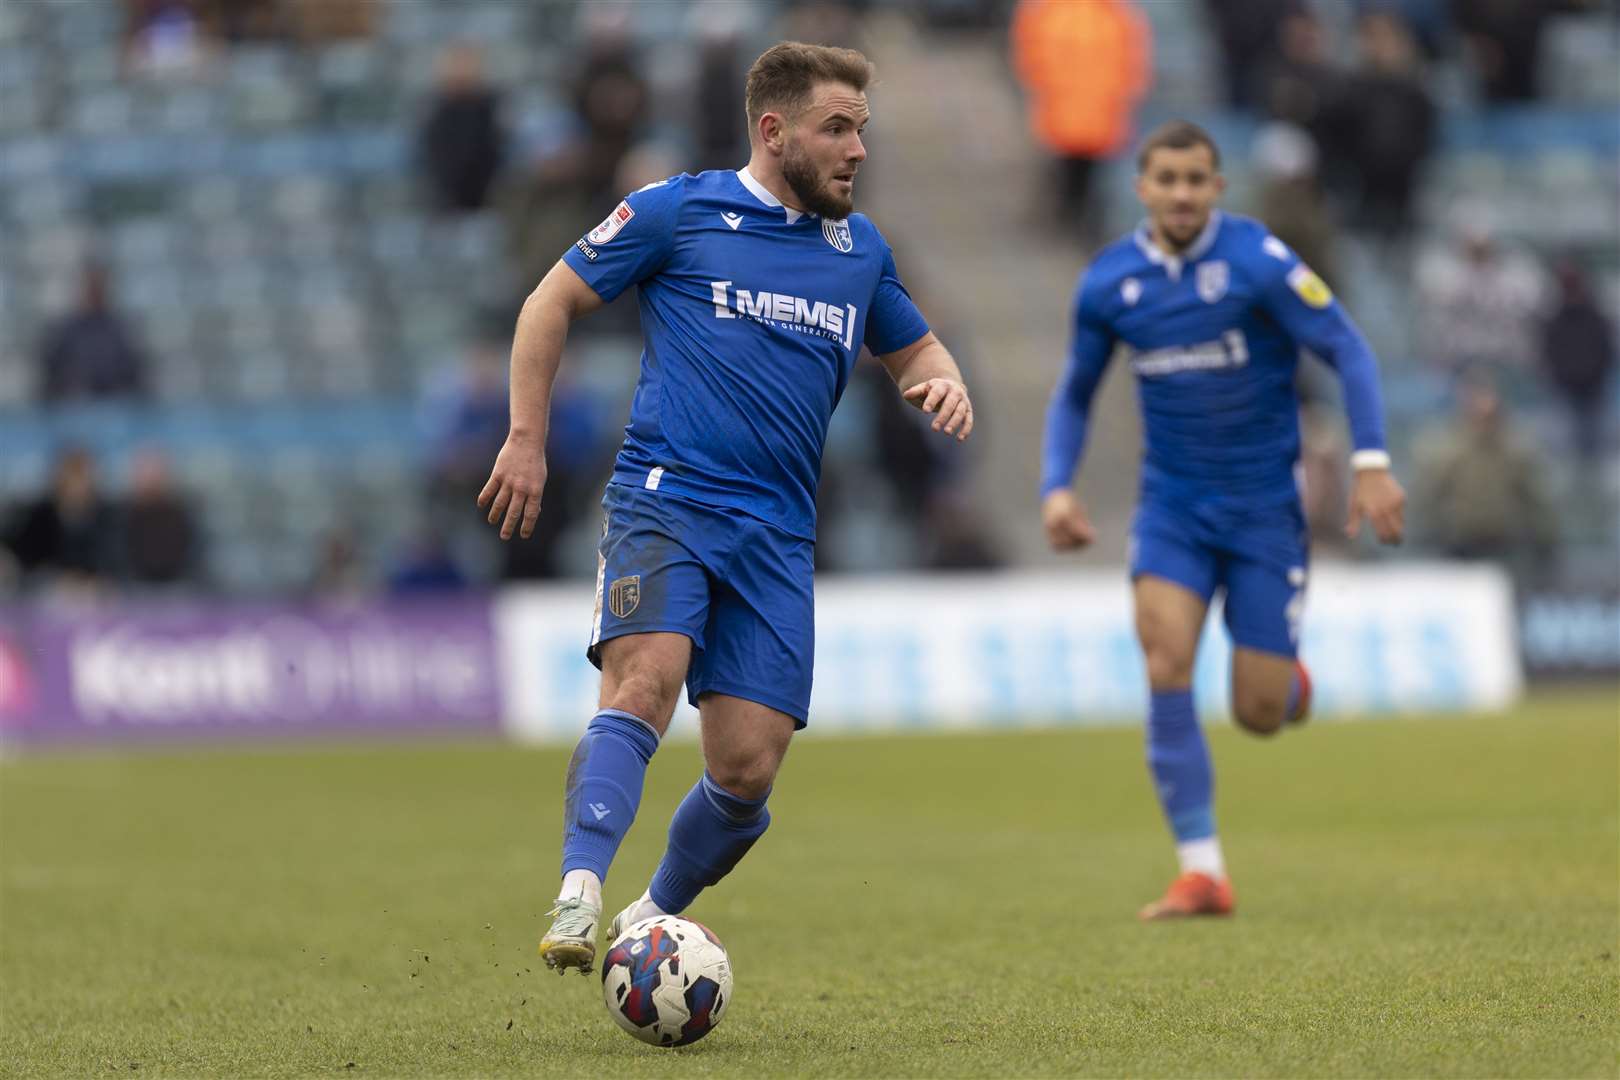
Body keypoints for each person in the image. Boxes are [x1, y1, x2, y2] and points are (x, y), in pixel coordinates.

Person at [478, 42, 974, 973]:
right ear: (773, 130)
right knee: (643, 684)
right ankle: (578, 892)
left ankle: (647, 918)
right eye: (836, 129)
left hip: (778, 535)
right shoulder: (678, 211)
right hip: (667, 498)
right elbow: (549, 301)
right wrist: (526, 438)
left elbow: (918, 351)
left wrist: (943, 384)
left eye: (862, 131)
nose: (856, 151)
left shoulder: (859, 252)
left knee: (745, 777)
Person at [1039, 121, 1405, 920]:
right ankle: (1202, 871)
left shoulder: (1258, 262)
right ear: (1141, 187)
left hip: (1264, 513)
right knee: (1165, 659)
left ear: (1217, 187)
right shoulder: (1110, 283)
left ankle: (1290, 679)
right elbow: (1074, 391)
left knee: (1259, 712)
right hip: (1172, 509)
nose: (1180, 193)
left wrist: (1372, 460)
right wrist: (1057, 486)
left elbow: (1347, 349)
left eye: (1195, 179)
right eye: (1165, 178)